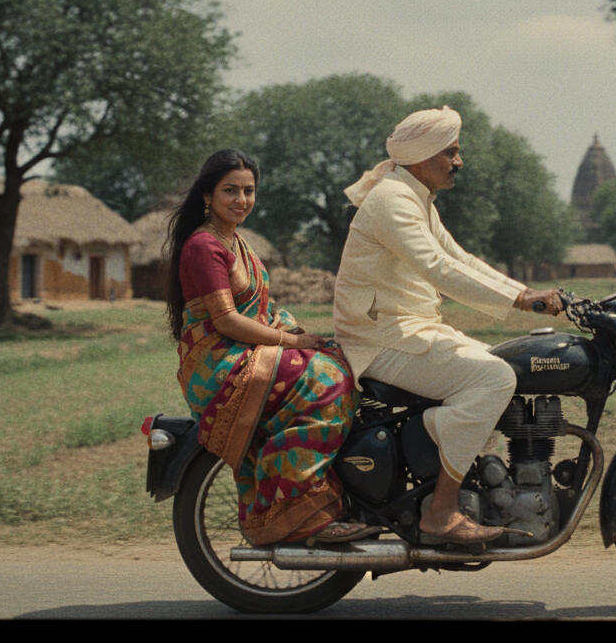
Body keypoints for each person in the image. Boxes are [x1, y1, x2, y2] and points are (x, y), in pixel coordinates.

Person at [333, 106, 563, 545]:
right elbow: (437, 267)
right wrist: (519, 299)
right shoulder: (392, 200)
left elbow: (460, 258)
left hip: (406, 331)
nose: (459, 162)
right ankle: (440, 511)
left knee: (497, 365)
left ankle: (469, 460)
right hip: (380, 340)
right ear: (422, 155)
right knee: (496, 378)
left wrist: (525, 292)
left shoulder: (412, 195)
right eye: (451, 152)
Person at [166, 149, 374, 545]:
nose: (241, 200)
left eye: (249, 190)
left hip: (246, 351)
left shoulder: (236, 241)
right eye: (230, 190)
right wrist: (293, 341)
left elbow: (262, 310)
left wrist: (307, 335)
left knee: (336, 359)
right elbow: (226, 320)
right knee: (327, 382)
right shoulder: (203, 246)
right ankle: (295, 505)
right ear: (208, 195)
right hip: (220, 362)